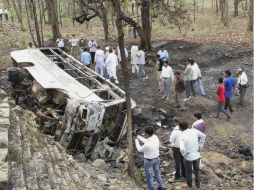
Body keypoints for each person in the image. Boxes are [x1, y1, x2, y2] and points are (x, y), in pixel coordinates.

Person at [179, 121, 206, 189]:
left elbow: (182, 149)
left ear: (180, 128)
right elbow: (203, 136)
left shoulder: (181, 136)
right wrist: (200, 145)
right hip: (197, 155)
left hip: (188, 157)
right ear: (188, 125)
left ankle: (190, 186)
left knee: (189, 172)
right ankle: (198, 185)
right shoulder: (194, 130)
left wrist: (185, 155)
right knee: (197, 172)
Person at [169, 117, 186, 182]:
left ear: (175, 122)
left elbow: (171, 140)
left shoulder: (175, 131)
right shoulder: (185, 129)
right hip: (183, 147)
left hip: (176, 148)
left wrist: (173, 144)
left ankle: (177, 175)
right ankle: (184, 175)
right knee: (183, 161)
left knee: (177, 162)